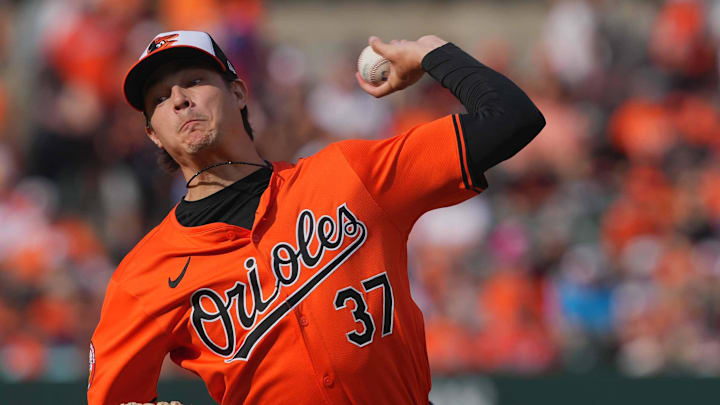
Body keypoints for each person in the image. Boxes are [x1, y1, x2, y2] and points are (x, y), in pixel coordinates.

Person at [88, 30, 545, 405]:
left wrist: (431, 54)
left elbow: (512, 119)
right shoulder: (142, 277)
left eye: (193, 80)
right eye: (160, 99)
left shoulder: (348, 176)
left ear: (238, 91)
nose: (180, 100)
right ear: (152, 133)